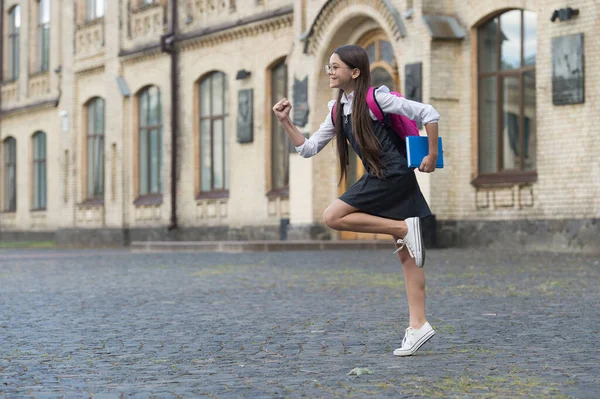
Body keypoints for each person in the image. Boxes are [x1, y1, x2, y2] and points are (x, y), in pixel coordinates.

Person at [272, 45, 440, 357]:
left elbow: (428, 113)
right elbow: (308, 148)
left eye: (336, 67)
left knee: (333, 215)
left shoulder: (378, 99)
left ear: (355, 71)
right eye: (329, 67)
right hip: (385, 177)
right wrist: (285, 121)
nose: (331, 72)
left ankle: (403, 230)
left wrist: (430, 154)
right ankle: (419, 325)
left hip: (391, 175)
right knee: (408, 258)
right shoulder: (338, 110)